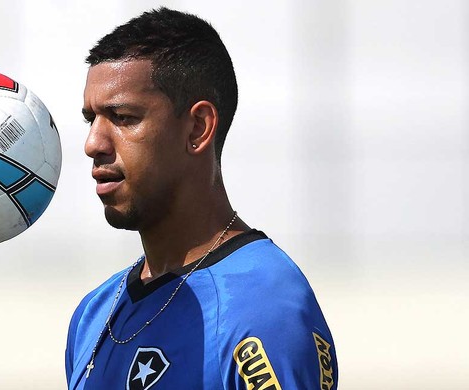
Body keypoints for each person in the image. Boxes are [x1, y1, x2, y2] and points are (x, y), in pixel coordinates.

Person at [66, 7, 337, 390]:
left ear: (197, 128)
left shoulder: (261, 312)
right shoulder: (94, 313)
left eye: (123, 117)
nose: (93, 143)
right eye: (90, 119)